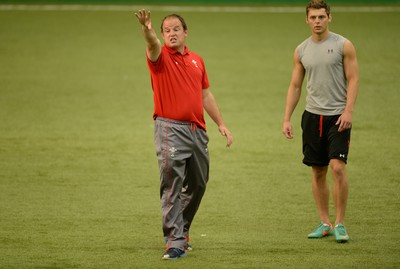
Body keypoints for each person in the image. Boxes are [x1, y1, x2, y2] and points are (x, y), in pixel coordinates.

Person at [134, 10, 233, 259]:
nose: (171, 34)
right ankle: (174, 241)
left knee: (198, 183)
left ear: (185, 32)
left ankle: (182, 229)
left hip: (197, 130)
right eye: (166, 30)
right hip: (170, 129)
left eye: (176, 29)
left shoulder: (197, 60)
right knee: (171, 185)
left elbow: (205, 95)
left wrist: (221, 123)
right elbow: (152, 43)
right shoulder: (159, 57)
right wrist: (147, 29)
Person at [282, 0, 359, 243]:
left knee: (337, 167)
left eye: (321, 17)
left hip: (338, 116)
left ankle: (340, 224)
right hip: (312, 117)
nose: (317, 21)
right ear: (307, 20)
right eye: (313, 17)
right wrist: (287, 118)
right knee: (318, 171)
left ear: (329, 18)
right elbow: (295, 86)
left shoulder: (343, 45)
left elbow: (353, 79)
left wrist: (348, 111)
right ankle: (325, 222)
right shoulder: (301, 50)